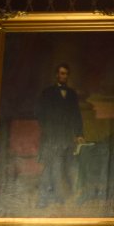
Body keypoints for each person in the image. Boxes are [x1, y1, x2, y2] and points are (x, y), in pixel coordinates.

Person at [36, 63, 84, 199]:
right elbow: (40, 113)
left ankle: (63, 196)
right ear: (57, 75)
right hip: (52, 137)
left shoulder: (72, 94)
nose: (64, 76)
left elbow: (76, 115)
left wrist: (79, 133)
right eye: (62, 73)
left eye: (66, 74)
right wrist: (48, 130)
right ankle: (47, 197)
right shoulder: (47, 93)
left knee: (68, 166)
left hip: (68, 137)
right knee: (53, 166)